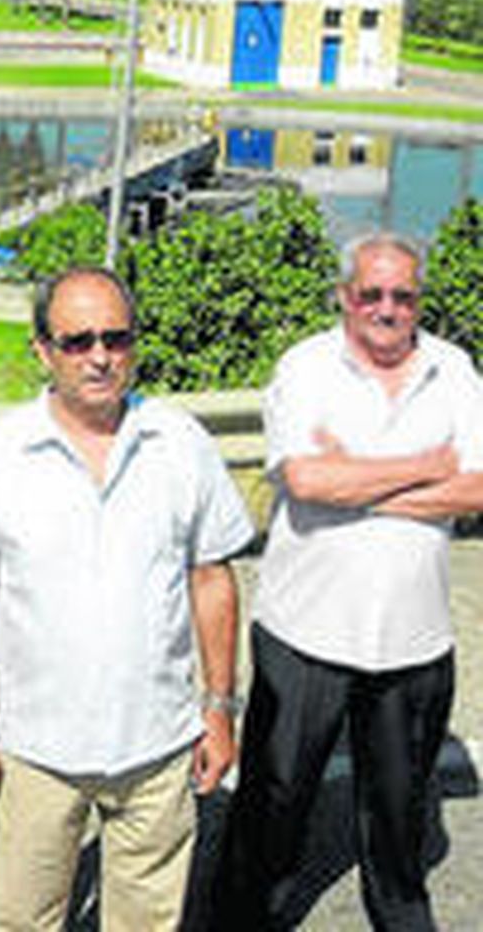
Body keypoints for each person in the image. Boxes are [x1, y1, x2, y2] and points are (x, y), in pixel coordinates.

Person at [0, 267, 253, 931]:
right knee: (25, 920)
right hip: (37, 752)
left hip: (158, 746)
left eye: (115, 338)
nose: (99, 357)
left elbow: (212, 579)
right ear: (43, 350)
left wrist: (220, 709)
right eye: (77, 342)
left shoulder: (180, 444)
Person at [216, 233, 483, 930]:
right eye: (371, 294)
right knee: (274, 801)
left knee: (400, 807)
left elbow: (479, 488)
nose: (387, 309)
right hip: (306, 633)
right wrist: (429, 464)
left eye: (403, 296)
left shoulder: (455, 370)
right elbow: (306, 480)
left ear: (420, 300)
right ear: (344, 296)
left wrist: (356, 484)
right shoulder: (305, 367)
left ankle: (400, 915)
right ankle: (244, 917)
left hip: (415, 638)